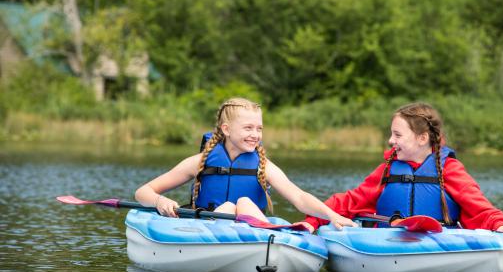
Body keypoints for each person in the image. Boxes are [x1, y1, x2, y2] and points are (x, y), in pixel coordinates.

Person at [301, 102, 503, 237]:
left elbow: (479, 207)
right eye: (391, 134)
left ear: (422, 138)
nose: (390, 140)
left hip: (438, 245)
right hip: (388, 244)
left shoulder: (449, 168)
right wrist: (313, 221)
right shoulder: (387, 170)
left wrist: (501, 226)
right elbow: (348, 202)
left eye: (398, 135)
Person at [135, 97, 356, 231]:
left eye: (259, 128)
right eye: (248, 128)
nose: (255, 134)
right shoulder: (199, 162)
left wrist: (333, 216)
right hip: (208, 228)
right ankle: (264, 231)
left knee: (243, 202)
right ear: (226, 130)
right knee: (230, 206)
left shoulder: (263, 165)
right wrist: (159, 200)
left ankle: (267, 232)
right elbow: (142, 192)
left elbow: (299, 197)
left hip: (249, 231)